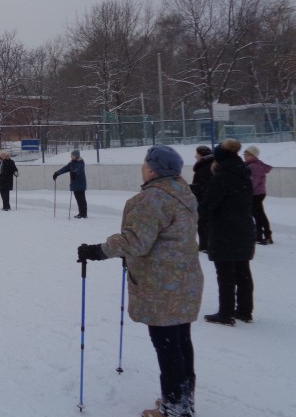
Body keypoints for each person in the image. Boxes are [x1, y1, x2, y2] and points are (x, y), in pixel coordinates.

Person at [77, 145, 203, 417]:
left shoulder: (154, 198)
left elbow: (136, 241)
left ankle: (175, 408)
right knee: (180, 341)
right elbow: (163, 237)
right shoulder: (182, 191)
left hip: (162, 285)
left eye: (145, 163)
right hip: (184, 279)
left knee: (168, 345)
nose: (142, 167)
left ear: (153, 168)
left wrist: (98, 251)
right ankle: (182, 399)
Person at [199, 138, 255, 326]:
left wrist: (200, 212)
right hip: (244, 228)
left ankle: (226, 312)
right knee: (242, 271)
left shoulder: (221, 177)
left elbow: (209, 205)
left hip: (225, 230)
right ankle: (245, 310)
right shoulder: (244, 175)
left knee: (225, 273)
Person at [244, 145, 273, 245]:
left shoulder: (254, 166)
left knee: (259, 214)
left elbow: (253, 182)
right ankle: (261, 235)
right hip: (257, 193)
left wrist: (246, 191)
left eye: (247, 154)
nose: (245, 156)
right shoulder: (251, 165)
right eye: (245, 154)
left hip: (256, 193)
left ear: (253, 156)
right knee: (258, 214)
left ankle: (265, 235)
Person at [190, 145, 214, 251]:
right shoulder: (214, 165)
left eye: (197, 155)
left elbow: (200, 186)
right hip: (212, 199)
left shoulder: (202, 168)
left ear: (202, 155)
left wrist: (191, 189)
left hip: (204, 200)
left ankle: (205, 245)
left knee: (203, 223)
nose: (195, 157)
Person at [53, 149, 87, 218]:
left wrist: (75, 173)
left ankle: (83, 214)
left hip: (80, 184)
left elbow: (79, 169)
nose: (71, 156)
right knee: (78, 200)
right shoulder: (71, 163)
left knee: (81, 200)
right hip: (74, 185)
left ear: (76, 156)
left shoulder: (80, 162)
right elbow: (65, 169)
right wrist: (57, 173)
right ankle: (81, 213)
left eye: (72, 155)